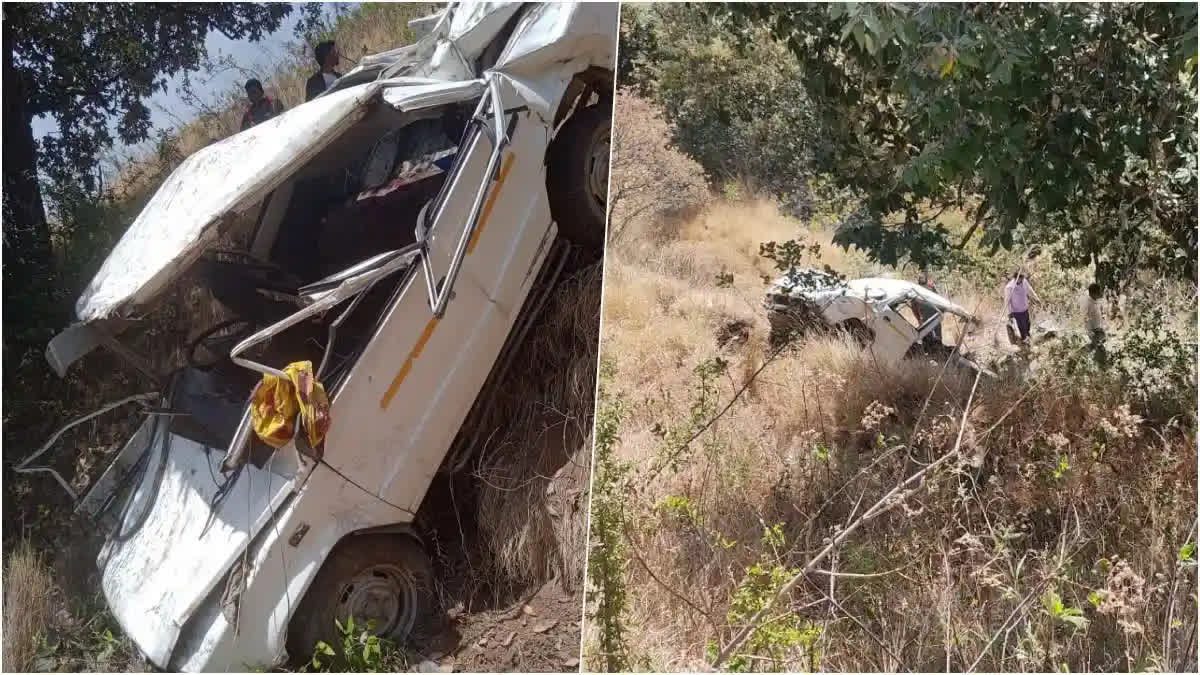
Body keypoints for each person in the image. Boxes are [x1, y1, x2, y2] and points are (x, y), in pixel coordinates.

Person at [1003, 269, 1040, 344]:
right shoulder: (1009, 287)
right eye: (1021, 278)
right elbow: (1007, 301)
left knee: (1028, 324)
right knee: (1022, 326)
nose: (1023, 279)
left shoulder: (1024, 281)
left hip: (1025, 308)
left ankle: (1028, 336)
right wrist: (1009, 313)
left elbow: (1030, 289)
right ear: (1017, 278)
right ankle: (1024, 339)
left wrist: (1036, 298)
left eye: (1023, 278)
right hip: (1017, 311)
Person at [913, 270, 943, 345]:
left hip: (934, 316)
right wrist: (919, 319)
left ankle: (939, 351)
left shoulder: (931, 287)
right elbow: (914, 306)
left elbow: (939, 300)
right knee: (927, 338)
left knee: (937, 337)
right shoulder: (916, 290)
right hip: (926, 319)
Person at [1085, 282, 1107, 366]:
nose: (1101, 293)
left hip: (1098, 330)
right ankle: (1101, 365)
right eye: (1099, 292)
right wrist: (1091, 331)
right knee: (1099, 348)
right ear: (1094, 293)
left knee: (1095, 347)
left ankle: (1079, 356)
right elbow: (1086, 319)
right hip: (1094, 331)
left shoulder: (1095, 302)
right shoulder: (1089, 304)